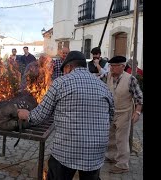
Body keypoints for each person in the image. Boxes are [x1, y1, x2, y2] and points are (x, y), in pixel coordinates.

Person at [17, 51, 114, 180]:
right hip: (96, 151)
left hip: (67, 149)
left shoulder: (60, 83)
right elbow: (111, 116)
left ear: (68, 67)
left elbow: (40, 115)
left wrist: (26, 114)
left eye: (64, 70)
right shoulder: (103, 86)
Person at [105, 56, 143, 174]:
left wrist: (137, 112)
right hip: (111, 112)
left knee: (122, 139)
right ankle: (112, 157)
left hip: (124, 112)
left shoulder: (130, 79)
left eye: (114, 66)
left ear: (122, 66)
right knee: (111, 136)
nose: (112, 68)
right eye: (111, 66)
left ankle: (122, 164)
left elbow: (139, 97)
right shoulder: (109, 76)